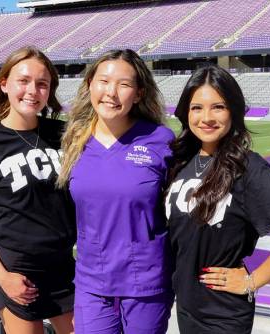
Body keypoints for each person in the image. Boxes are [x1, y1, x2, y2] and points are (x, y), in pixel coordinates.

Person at [165, 65, 270, 333]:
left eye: (218, 107)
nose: (206, 117)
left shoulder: (248, 167)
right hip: (186, 306)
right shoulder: (180, 163)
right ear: (186, 113)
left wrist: (251, 281)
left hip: (224, 314)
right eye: (197, 107)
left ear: (233, 110)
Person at [56, 49, 175, 334]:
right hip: (92, 284)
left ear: (138, 93)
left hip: (145, 284)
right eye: (103, 81)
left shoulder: (160, 140)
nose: (111, 92)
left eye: (123, 84)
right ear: (89, 86)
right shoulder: (74, 140)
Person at [0, 46, 76, 334]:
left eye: (42, 84)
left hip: (64, 266)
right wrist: (2, 277)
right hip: (16, 270)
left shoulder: (65, 134)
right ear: (4, 85)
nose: (32, 91)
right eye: (23, 81)